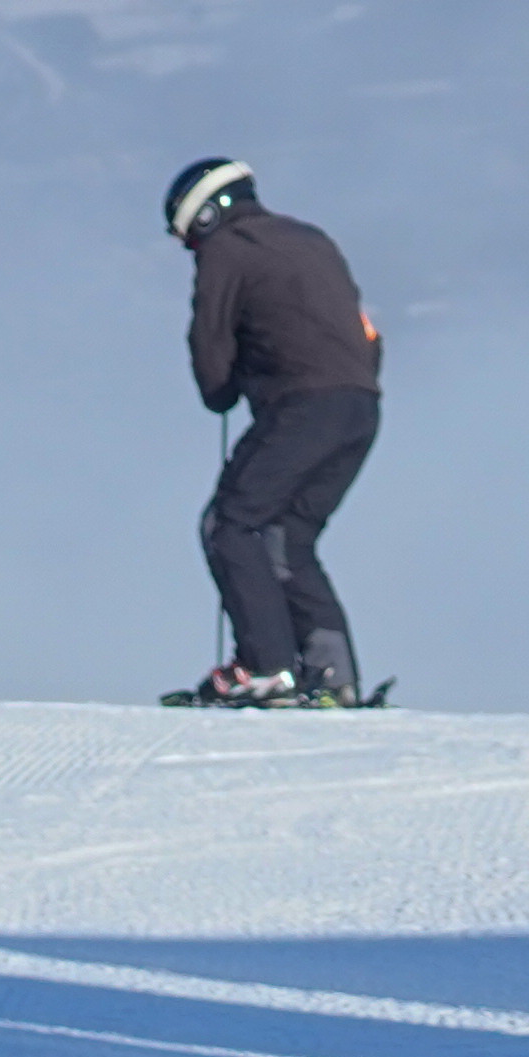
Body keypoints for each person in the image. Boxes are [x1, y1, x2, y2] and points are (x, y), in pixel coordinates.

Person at [165, 157, 382, 708]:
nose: (191, 249)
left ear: (206, 216)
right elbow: (366, 333)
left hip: (301, 405)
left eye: (187, 237)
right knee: (288, 538)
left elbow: (209, 345)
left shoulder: (227, 249)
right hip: (359, 407)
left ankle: (266, 668)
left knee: (230, 525)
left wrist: (222, 390)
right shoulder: (311, 239)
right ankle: (334, 676)